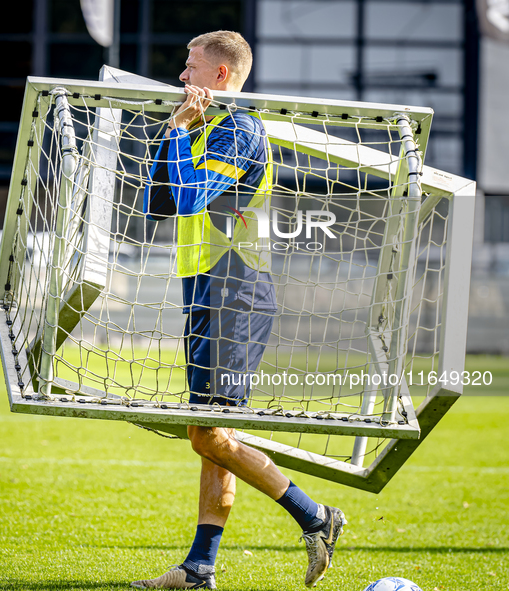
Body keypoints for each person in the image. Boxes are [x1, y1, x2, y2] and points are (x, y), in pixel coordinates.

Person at [135, 31, 346, 590]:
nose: (182, 77)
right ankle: (200, 568)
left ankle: (316, 516)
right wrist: (176, 132)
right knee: (210, 439)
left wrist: (180, 129)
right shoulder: (205, 128)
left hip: (236, 290)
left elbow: (186, 199)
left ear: (221, 76)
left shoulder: (240, 129)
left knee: (207, 436)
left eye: (190, 66)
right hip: (205, 289)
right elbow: (160, 199)